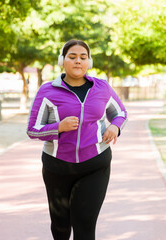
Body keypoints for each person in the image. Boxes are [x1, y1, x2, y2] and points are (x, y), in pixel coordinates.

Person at [27, 39, 128, 240]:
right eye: (72, 57)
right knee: (61, 227)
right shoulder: (47, 91)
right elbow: (33, 129)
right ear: (62, 61)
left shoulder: (102, 88)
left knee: (85, 225)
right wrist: (58, 127)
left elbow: (121, 113)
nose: (78, 61)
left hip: (95, 164)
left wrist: (115, 126)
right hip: (57, 167)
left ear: (89, 62)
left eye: (83, 57)